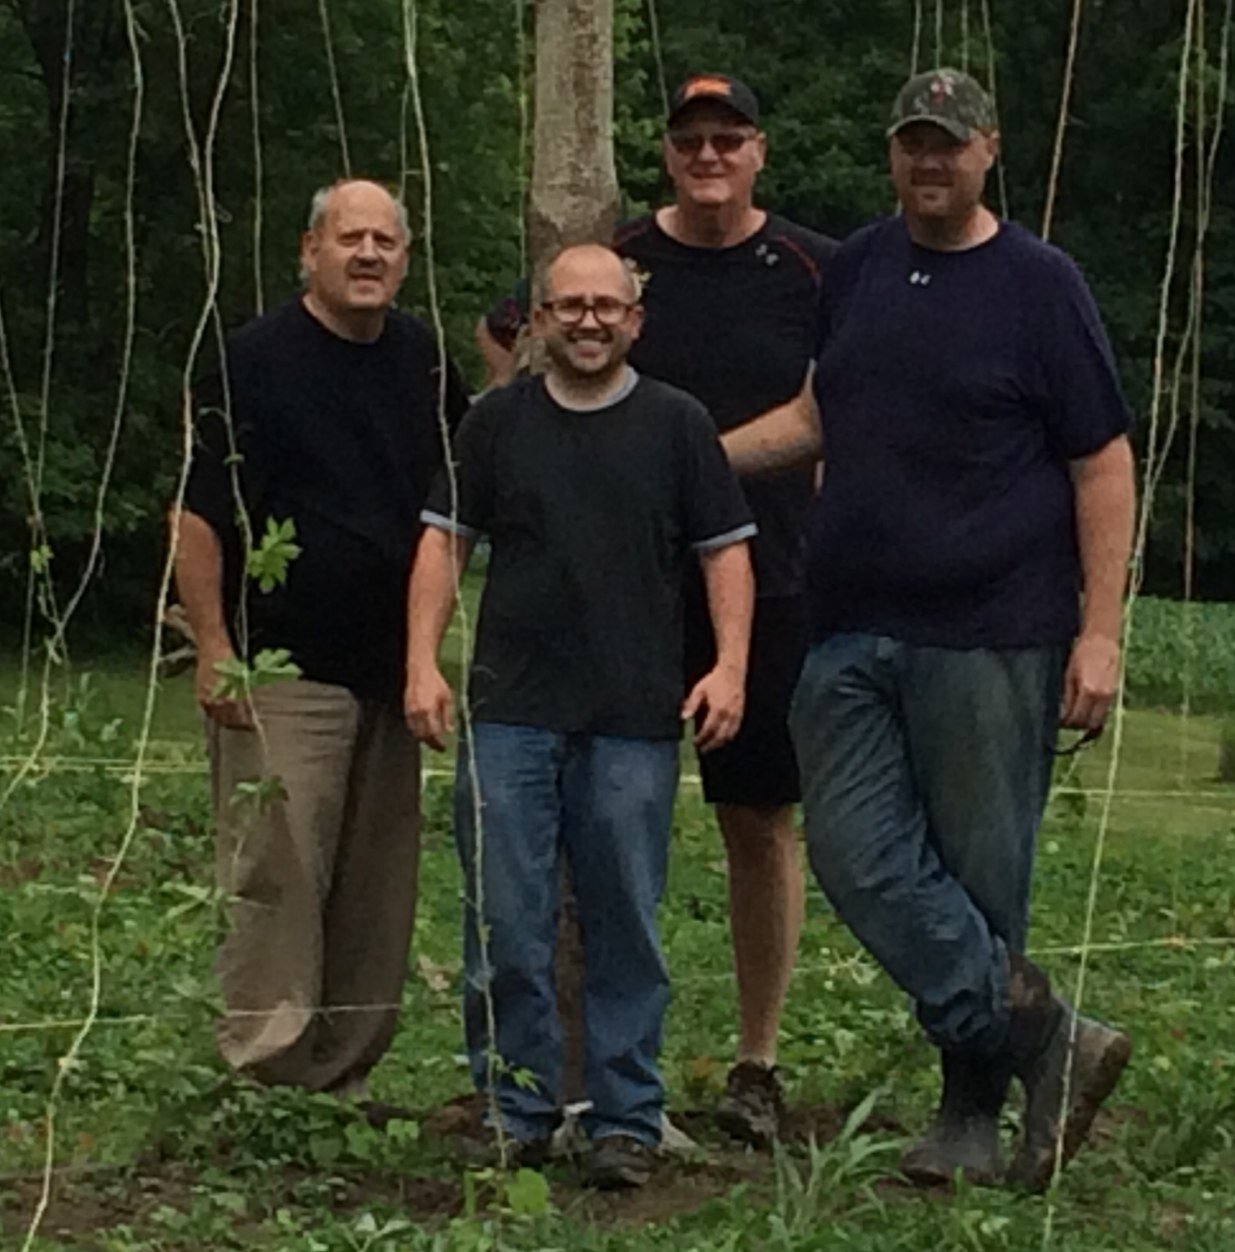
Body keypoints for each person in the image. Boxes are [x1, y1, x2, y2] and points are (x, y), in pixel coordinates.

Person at [731, 68, 1137, 1190]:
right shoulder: (858, 266)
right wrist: (691, 460)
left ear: (987, 150)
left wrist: (1099, 631)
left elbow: (1101, 462)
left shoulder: (1040, 285)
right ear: (892, 152)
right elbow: (819, 413)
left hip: (992, 631)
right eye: (913, 141)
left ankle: (969, 1118)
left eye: (949, 144)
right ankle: (1046, 1033)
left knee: (979, 871)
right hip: (848, 623)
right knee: (853, 853)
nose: (929, 160)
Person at [476, 72, 837, 1143]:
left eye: (729, 138)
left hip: (763, 574)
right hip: (611, 592)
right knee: (581, 809)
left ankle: (756, 1060)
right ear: (668, 154)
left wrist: (684, 467)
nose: (709, 156)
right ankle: (568, 1070)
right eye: (690, 140)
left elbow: (829, 406)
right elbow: (506, 334)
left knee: (755, 818)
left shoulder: (814, 266)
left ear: (759, 150)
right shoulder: (620, 258)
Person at [406, 244, 756, 1188]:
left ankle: (625, 1121)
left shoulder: (679, 425)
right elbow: (443, 543)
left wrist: (729, 667)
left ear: (635, 320)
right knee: (505, 924)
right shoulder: (495, 423)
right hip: (510, 711)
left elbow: (726, 552)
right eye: (570, 306)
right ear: (539, 323)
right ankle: (514, 1111)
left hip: (634, 716)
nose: (590, 321)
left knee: (626, 925)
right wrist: (421, 664)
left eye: (608, 306)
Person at [175, 179, 467, 1097]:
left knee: (377, 884)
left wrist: (424, 655)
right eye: (350, 238)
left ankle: (342, 1077)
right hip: (282, 663)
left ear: (405, 260)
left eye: (386, 241)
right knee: (281, 869)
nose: (368, 254)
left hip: (392, 666)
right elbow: (197, 513)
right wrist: (214, 646)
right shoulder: (252, 360)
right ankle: (265, 1072)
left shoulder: (422, 360)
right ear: (310, 251)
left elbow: (461, 497)